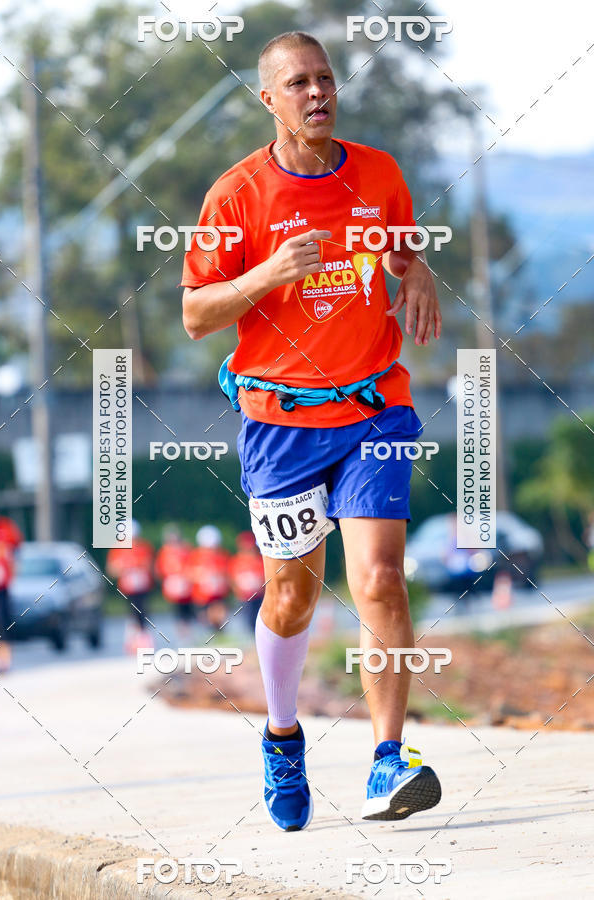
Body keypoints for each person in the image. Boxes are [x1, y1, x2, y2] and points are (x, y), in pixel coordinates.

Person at [181, 32, 443, 831]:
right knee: (291, 595)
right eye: (299, 83)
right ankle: (283, 735)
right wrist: (264, 275)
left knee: (381, 580)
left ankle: (387, 759)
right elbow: (195, 314)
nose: (318, 93)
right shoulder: (237, 196)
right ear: (270, 99)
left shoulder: (378, 173)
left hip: (374, 409)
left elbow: (396, 248)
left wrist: (419, 268)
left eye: (326, 79)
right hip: (280, 423)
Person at [106, 519, 155, 653]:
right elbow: (112, 569)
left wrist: (139, 567)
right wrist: (124, 567)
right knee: (131, 612)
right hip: (127, 587)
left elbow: (150, 566)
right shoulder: (118, 548)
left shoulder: (144, 547)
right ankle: (133, 640)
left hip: (143, 586)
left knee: (142, 610)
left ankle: (144, 639)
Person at [186, 525, 231, 630]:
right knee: (204, 619)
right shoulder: (195, 556)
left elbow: (227, 573)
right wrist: (201, 576)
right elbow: (188, 573)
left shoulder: (222, 555)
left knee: (219, 616)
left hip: (218, 594)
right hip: (201, 595)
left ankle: (220, 633)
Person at [155, 524, 194, 640]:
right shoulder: (164, 551)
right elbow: (160, 568)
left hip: (185, 584)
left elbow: (192, 564)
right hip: (173, 585)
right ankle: (182, 632)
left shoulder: (186, 549)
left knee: (187, 608)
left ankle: (188, 629)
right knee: (177, 609)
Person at [229, 530, 266, 632]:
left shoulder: (259, 560)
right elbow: (233, 579)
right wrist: (238, 592)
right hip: (244, 597)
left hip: (258, 596)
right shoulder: (236, 561)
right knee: (247, 620)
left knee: (258, 619)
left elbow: (264, 579)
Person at [0, 540, 15, 673]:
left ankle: (3, 662)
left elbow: (8, 572)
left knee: (0, 628)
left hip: (0, 595)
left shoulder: (1, 550)